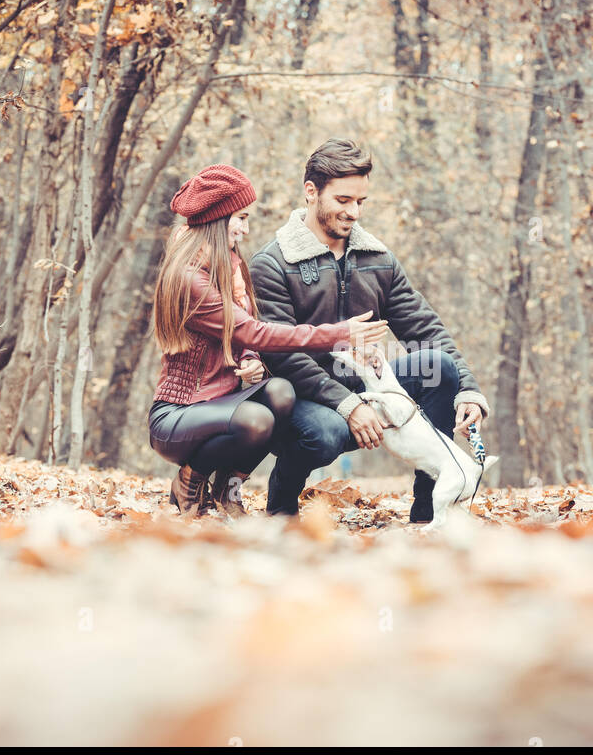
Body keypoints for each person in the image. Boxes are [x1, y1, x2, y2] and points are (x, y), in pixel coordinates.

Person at [250, 139, 491, 521]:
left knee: (439, 367)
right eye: (343, 200)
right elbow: (279, 353)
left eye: (361, 202)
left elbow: (425, 327)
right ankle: (282, 503)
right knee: (326, 433)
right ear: (311, 193)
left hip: (365, 384)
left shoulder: (378, 260)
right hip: (302, 396)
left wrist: (468, 390)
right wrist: (349, 407)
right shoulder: (272, 264)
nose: (354, 212)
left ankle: (429, 511)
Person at [148, 164, 390, 517]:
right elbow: (252, 331)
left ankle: (228, 489)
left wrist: (250, 359)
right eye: (240, 218)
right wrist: (340, 333)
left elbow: (245, 335)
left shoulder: (229, 267)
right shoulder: (188, 279)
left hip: (220, 401)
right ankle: (188, 479)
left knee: (280, 391)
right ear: (218, 219)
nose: (246, 229)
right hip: (179, 413)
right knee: (256, 420)